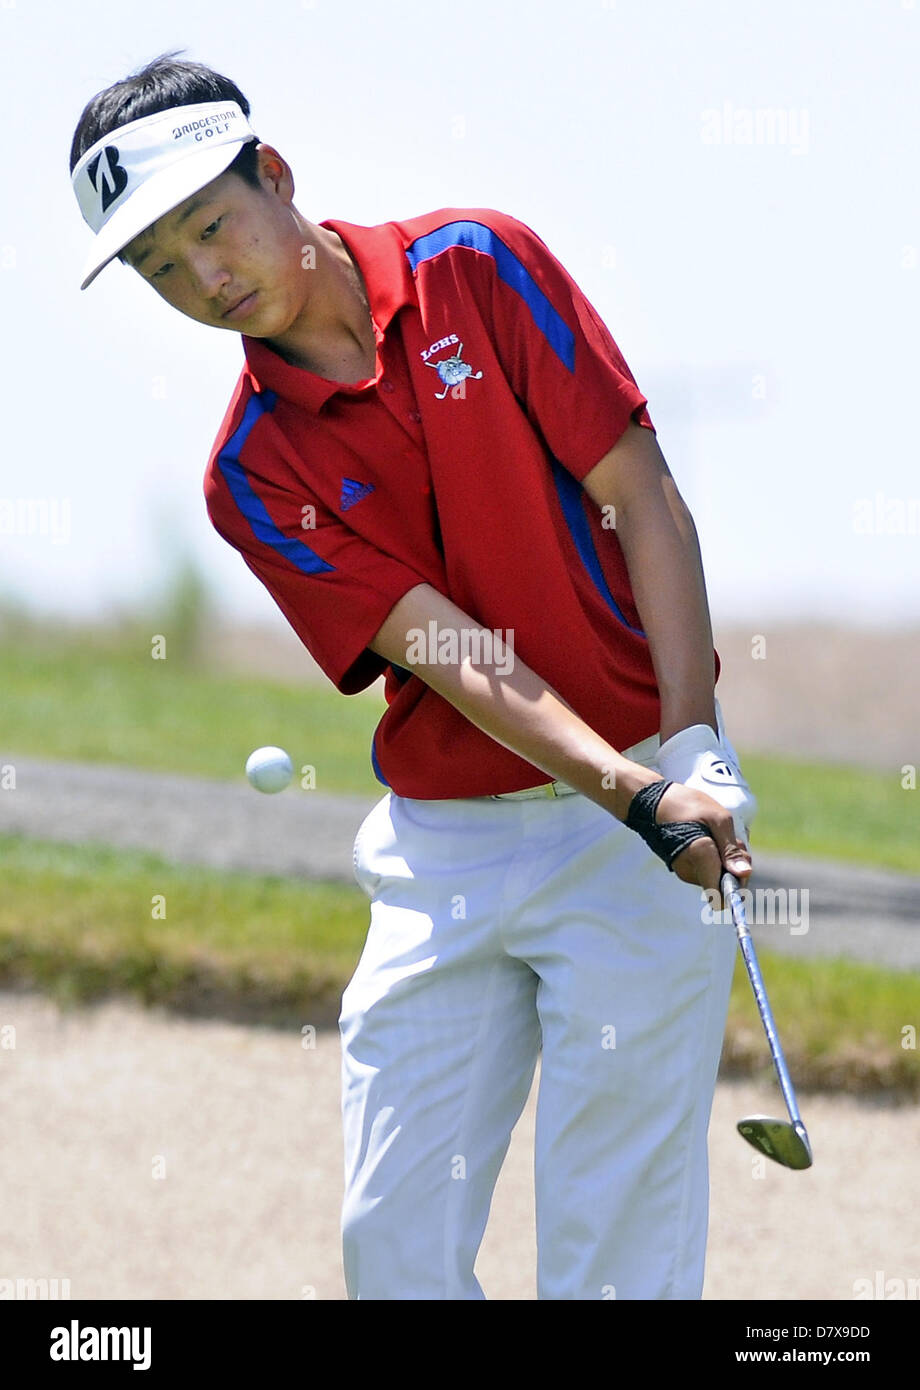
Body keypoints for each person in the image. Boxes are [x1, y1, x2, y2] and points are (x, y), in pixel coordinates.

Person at [71, 53, 757, 1301]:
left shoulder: (478, 268)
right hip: (450, 853)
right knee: (388, 1245)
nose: (205, 281)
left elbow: (641, 493)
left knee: (616, 1254)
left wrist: (690, 746)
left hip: (640, 823)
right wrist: (632, 792)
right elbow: (447, 650)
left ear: (275, 176)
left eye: (212, 228)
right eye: (160, 268)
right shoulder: (251, 474)